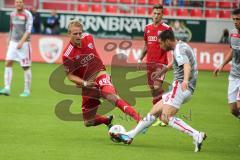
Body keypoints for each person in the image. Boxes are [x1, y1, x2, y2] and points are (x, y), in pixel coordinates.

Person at [112, 30, 207, 152]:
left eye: (161, 43)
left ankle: (195, 134)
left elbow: (186, 65)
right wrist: (163, 71)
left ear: (168, 41)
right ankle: (130, 135)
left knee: (165, 117)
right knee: (155, 111)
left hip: (180, 86)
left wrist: (185, 80)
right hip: (182, 87)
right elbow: (176, 62)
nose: (160, 47)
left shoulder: (178, 49)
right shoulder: (180, 46)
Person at [62, 19, 141, 128]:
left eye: (80, 33)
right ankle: (107, 120)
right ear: (69, 34)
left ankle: (138, 118)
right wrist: (83, 83)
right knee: (88, 122)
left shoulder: (88, 38)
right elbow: (70, 76)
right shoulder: (67, 54)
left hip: (100, 75)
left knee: (111, 97)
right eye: (75, 34)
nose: (78, 36)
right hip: (88, 84)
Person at [138, 4, 172, 126]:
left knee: (157, 88)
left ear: (162, 15)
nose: (156, 16)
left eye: (159, 13)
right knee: (153, 90)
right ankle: (160, 113)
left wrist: (175, 59)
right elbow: (146, 45)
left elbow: (172, 45)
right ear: (151, 14)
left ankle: (164, 115)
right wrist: (140, 58)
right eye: (155, 13)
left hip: (161, 64)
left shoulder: (167, 29)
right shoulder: (147, 28)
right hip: (149, 64)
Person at [0, 0, 33, 97]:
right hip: (13, 43)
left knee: (25, 67)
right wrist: (8, 39)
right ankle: (7, 88)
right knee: (8, 63)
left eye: (20, 2)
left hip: (24, 44)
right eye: (17, 2)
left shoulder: (28, 14)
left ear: (23, 3)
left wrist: (22, 42)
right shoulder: (12, 14)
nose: (18, 4)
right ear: (15, 4)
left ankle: (27, 91)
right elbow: (11, 28)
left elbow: (28, 30)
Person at [214, 8, 240, 119]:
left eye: (238, 19)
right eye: (233, 19)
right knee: (234, 110)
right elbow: (232, 51)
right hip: (234, 75)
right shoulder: (232, 34)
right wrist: (221, 65)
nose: (235, 21)